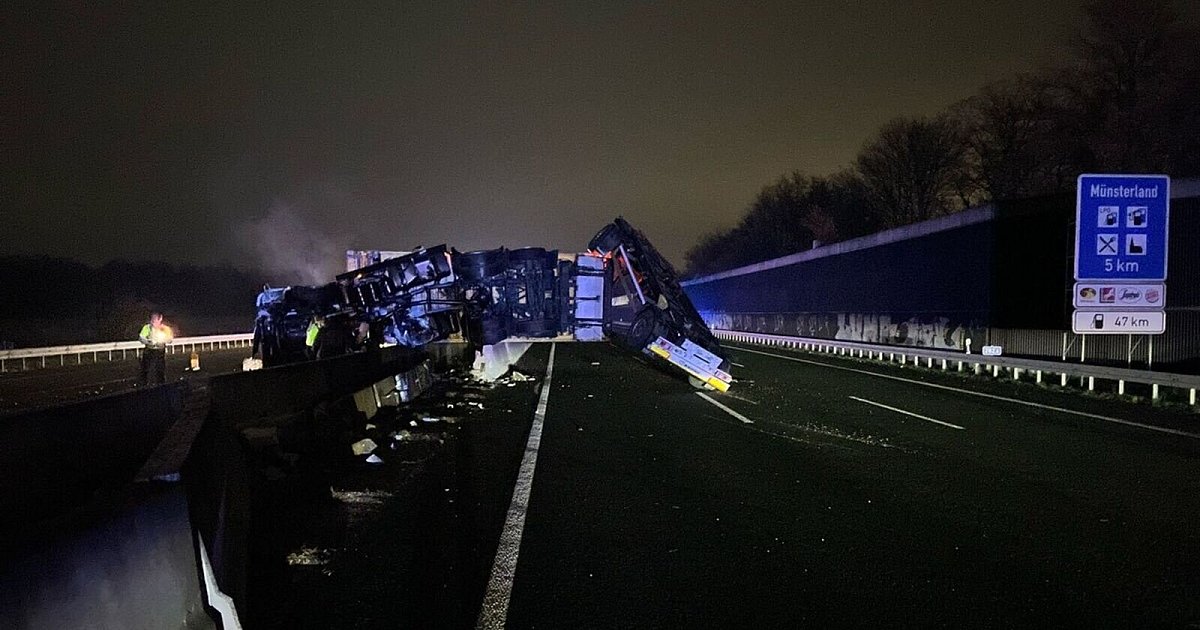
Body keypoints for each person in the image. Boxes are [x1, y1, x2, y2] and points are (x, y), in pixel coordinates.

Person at [138, 312, 173, 385]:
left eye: (155, 319)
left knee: (160, 369)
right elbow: (141, 337)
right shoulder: (147, 327)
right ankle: (144, 384)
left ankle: (161, 384)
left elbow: (170, 339)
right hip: (149, 350)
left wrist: (163, 340)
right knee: (145, 368)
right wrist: (148, 341)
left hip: (160, 351)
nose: (153, 321)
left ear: (160, 319)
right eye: (152, 319)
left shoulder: (165, 328)